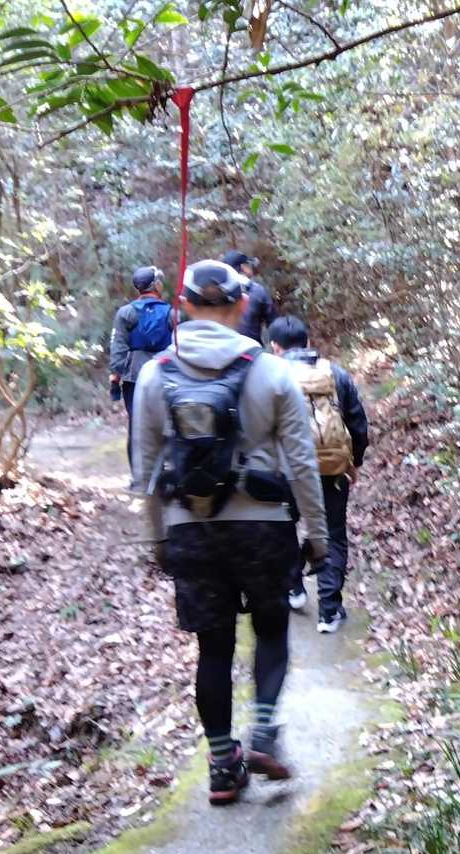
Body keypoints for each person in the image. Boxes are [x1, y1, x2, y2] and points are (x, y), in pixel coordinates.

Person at [131, 260, 328, 806]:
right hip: (263, 526)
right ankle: (263, 731)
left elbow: (145, 467)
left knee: (213, 649)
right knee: (270, 628)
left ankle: (222, 766)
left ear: (183, 305)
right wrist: (316, 533)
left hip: (191, 528)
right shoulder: (271, 372)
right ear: (243, 304)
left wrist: (158, 538)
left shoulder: (155, 374)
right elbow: (302, 462)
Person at [269, 315, 370, 634]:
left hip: (285, 469)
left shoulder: (269, 377)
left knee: (284, 527)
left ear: (275, 347)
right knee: (333, 534)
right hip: (332, 468)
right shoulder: (335, 374)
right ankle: (329, 611)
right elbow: (358, 424)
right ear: (308, 342)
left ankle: (294, 589)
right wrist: (354, 462)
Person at [108, 266, 171, 468]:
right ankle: (166, 471)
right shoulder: (172, 313)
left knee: (137, 425)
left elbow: (118, 347)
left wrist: (115, 378)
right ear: (157, 285)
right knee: (169, 422)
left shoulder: (126, 313)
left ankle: (139, 475)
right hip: (167, 374)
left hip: (134, 376)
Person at [221, 249, 277, 346]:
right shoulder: (258, 291)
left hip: (223, 348)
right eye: (248, 264)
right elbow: (274, 324)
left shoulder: (217, 292)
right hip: (252, 349)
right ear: (243, 267)